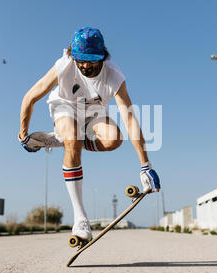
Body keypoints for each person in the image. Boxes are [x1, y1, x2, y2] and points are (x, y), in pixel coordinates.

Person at [18, 26, 160, 243]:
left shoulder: (114, 76)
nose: (85, 66)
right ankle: (80, 218)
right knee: (72, 140)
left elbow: (130, 118)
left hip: (93, 112)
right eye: (80, 60)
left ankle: (61, 140)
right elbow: (29, 97)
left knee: (114, 139)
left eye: (91, 61)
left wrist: (145, 165)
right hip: (64, 106)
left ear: (102, 56)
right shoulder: (64, 65)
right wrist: (24, 135)